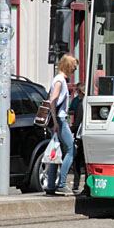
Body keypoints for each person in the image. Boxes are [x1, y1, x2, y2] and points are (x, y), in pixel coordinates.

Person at [46, 54, 78, 196]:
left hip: (57, 119)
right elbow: (53, 100)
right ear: (68, 67)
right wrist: (55, 121)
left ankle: (51, 185)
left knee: (55, 152)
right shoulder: (60, 81)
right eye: (73, 68)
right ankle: (62, 184)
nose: (74, 71)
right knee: (71, 149)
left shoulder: (57, 80)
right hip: (59, 119)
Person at [68, 82, 85, 192]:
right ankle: (86, 187)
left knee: (77, 161)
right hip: (87, 135)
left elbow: (77, 123)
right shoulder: (86, 102)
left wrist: (69, 130)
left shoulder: (80, 104)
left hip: (80, 136)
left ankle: (76, 185)